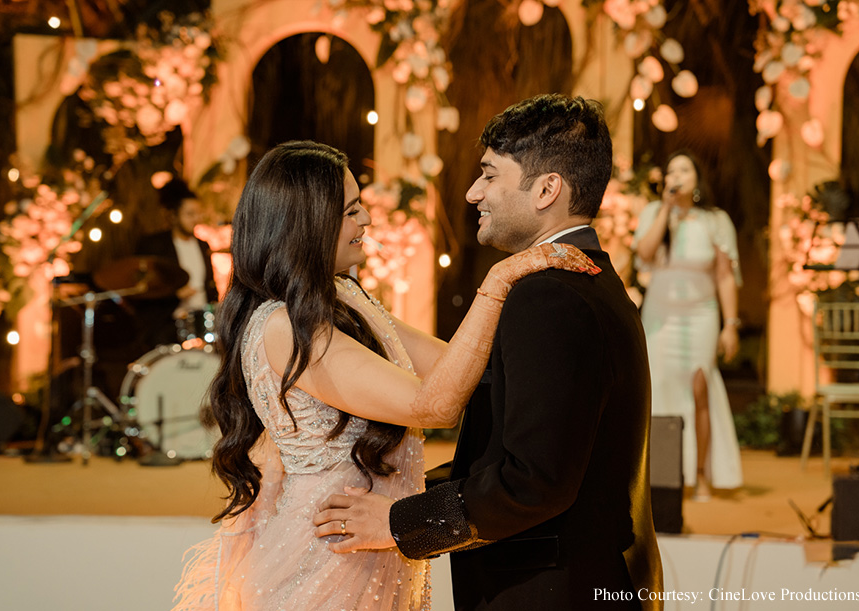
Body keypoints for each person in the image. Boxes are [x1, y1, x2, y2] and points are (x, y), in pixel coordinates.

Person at [170, 140, 598, 611]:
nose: (366, 221)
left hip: (376, 539)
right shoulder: (283, 326)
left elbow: (456, 366)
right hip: (329, 550)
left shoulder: (345, 295)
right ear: (308, 223)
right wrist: (498, 283)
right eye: (351, 210)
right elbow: (433, 405)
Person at [314, 94, 664, 610]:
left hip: (553, 592)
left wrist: (397, 522)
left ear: (547, 189)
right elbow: (513, 451)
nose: (474, 192)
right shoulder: (589, 279)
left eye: (490, 175)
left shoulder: (547, 294)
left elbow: (533, 482)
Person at [632, 150, 744, 500]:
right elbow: (645, 255)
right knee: (659, 386)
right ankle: (662, 476)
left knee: (700, 387)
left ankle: (701, 475)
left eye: (684, 169)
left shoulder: (715, 219)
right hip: (661, 314)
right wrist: (665, 209)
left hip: (701, 315)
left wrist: (730, 324)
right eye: (671, 171)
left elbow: (725, 275)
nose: (676, 175)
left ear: (696, 178)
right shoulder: (653, 212)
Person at [134, 178, 218, 348]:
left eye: (198, 213)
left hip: (202, 324)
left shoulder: (203, 245)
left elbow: (209, 284)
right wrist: (175, 294)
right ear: (173, 215)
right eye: (190, 214)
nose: (196, 219)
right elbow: (144, 288)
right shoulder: (156, 245)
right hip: (168, 327)